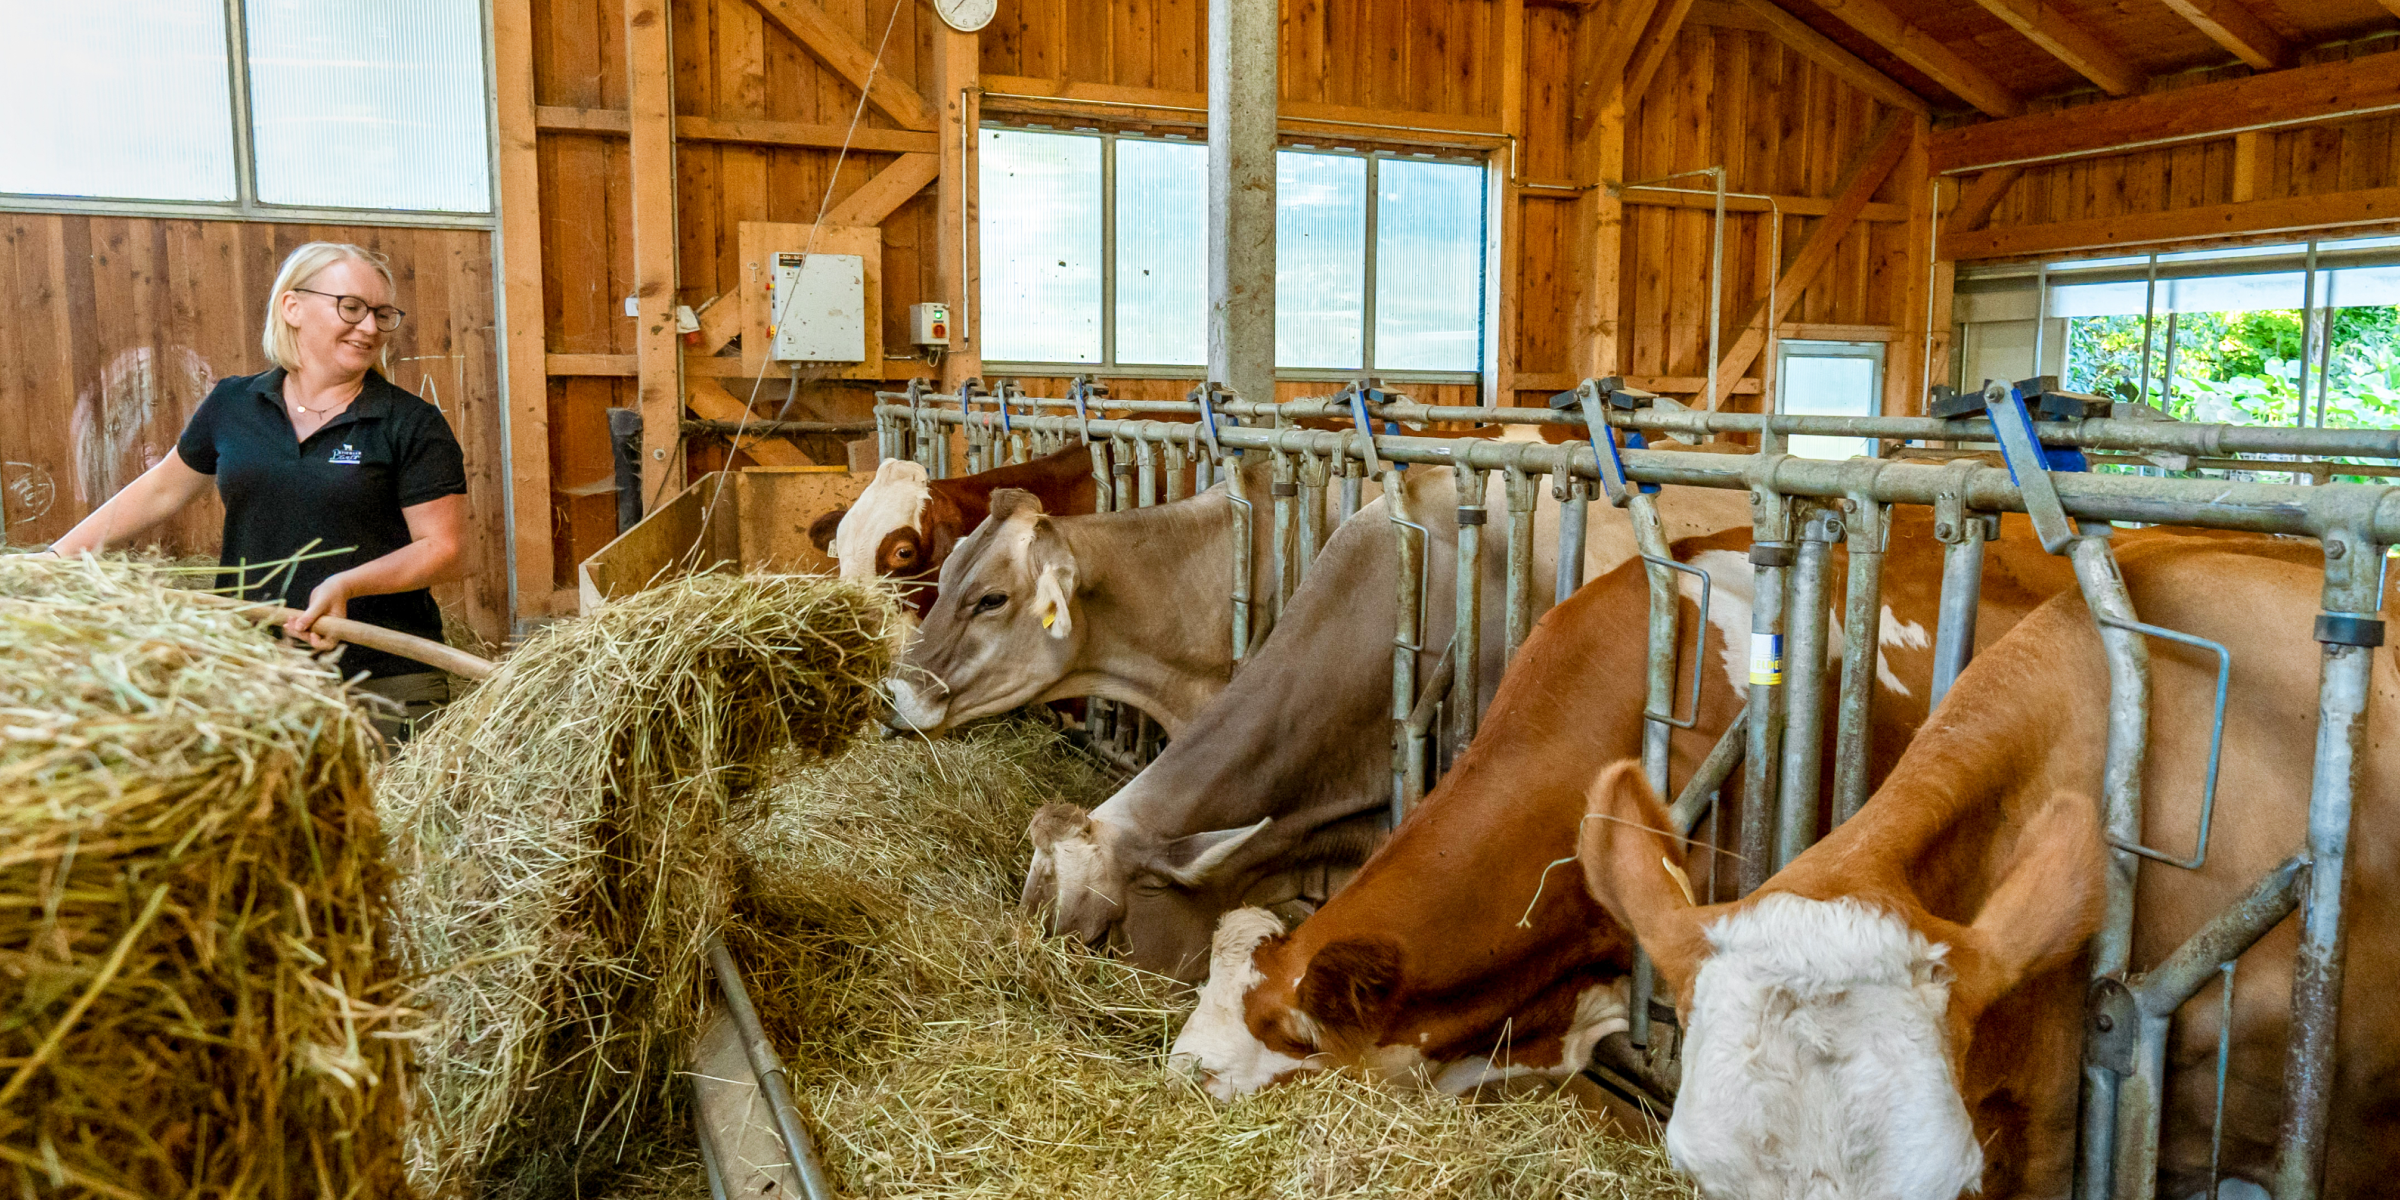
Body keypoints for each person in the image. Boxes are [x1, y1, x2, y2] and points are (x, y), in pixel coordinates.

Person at [44, 242, 468, 742]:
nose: (370, 327)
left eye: (382, 313)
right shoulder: (233, 404)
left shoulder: (410, 423)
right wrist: (52, 561)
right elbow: (160, 491)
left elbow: (447, 551)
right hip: (254, 674)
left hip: (384, 681)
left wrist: (345, 585)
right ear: (293, 307)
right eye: (351, 308)